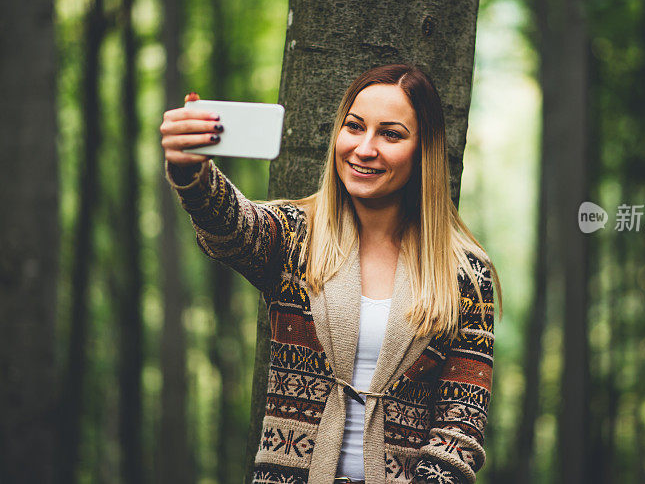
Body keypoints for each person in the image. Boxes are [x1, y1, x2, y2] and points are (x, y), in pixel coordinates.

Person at [161, 64, 500, 484]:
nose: (365, 147)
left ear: (424, 150)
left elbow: (460, 428)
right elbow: (230, 226)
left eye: (391, 134)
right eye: (354, 127)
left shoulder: (466, 273)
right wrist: (192, 173)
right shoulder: (294, 236)